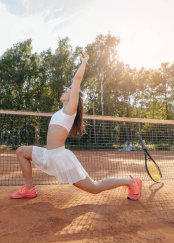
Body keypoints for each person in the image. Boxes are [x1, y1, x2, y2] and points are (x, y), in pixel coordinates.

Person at [10, 52, 142, 201]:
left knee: (94, 188)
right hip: (48, 155)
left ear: (73, 96)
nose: (65, 91)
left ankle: (131, 182)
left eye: (68, 90)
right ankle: (29, 189)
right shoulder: (60, 111)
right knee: (21, 151)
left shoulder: (70, 109)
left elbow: (77, 80)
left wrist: (84, 62)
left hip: (61, 158)